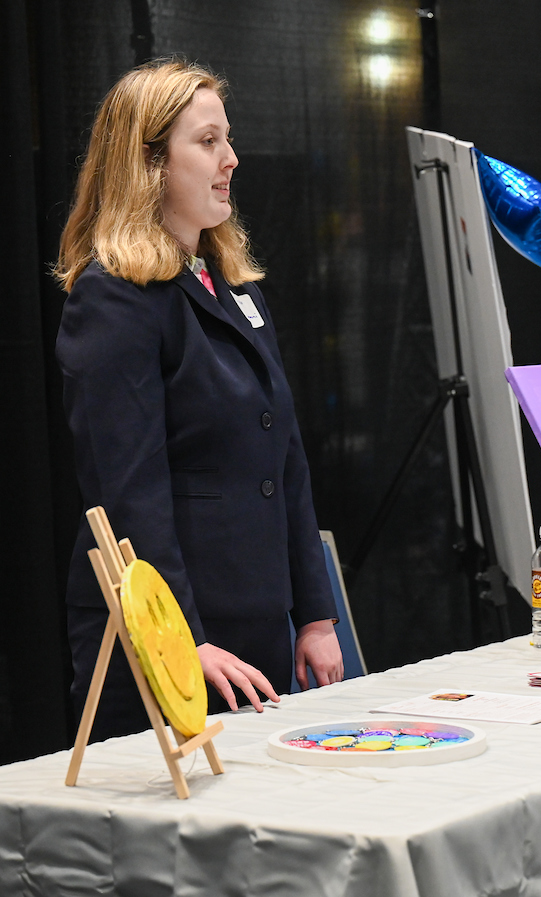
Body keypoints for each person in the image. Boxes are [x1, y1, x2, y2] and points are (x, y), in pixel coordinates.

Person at [55, 60, 343, 741]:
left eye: (228, 139)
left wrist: (315, 613)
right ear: (149, 164)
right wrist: (183, 639)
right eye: (208, 141)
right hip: (167, 639)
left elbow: (286, 458)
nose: (231, 159)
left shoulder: (236, 290)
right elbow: (128, 490)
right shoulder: (112, 298)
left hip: (257, 627)